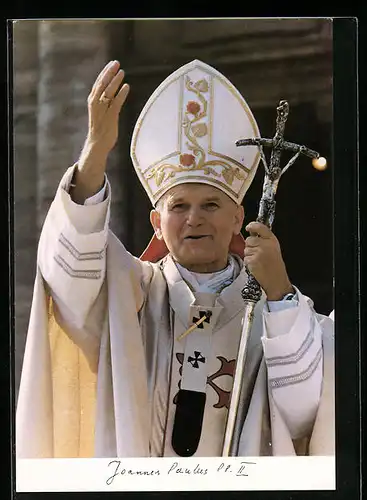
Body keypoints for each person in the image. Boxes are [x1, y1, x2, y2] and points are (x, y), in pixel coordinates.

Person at [16, 59, 335, 459]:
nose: (194, 219)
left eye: (211, 205)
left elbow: (306, 416)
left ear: (238, 217)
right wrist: (96, 149)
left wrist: (279, 294)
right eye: (179, 206)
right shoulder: (128, 295)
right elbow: (69, 273)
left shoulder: (276, 313)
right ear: (157, 222)